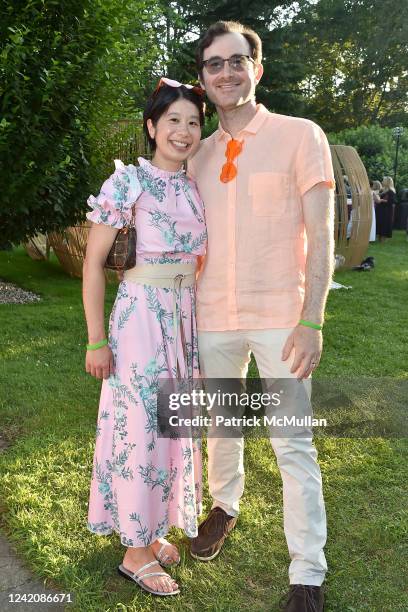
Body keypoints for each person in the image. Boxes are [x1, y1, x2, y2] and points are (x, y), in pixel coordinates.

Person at [188, 21, 335, 612]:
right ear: (202, 79)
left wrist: (313, 319)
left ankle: (308, 572)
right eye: (212, 65)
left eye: (235, 61)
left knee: (292, 444)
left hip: (281, 315)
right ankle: (224, 506)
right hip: (212, 315)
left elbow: (321, 236)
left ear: (257, 68)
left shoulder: (302, 136)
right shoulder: (195, 152)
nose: (225, 72)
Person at [83, 78, 206, 597]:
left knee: (172, 427)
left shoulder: (194, 184)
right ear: (152, 127)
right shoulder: (127, 183)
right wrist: (96, 340)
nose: (183, 130)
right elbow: (92, 265)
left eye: (193, 121)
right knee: (140, 430)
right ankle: (134, 552)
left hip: (183, 317)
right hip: (140, 321)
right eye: (173, 120)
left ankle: (153, 531)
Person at [376, 176, 396, 242]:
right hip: (380, 209)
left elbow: (391, 201)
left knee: (385, 223)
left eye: (383, 180)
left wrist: (381, 200)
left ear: (387, 182)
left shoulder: (391, 191)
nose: (382, 182)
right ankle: (379, 238)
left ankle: (383, 239)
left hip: (386, 210)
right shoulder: (382, 190)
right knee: (380, 223)